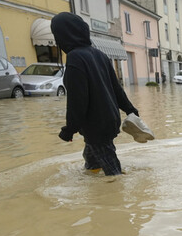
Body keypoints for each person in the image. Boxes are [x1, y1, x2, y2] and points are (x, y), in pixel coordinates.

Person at [51, 12, 140, 176]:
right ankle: (91, 176)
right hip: (109, 120)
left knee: (113, 173)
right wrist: (130, 109)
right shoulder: (100, 55)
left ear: (62, 36)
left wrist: (69, 129)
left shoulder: (75, 58)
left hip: (96, 125)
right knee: (92, 159)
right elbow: (117, 88)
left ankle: (117, 199)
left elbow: (78, 100)